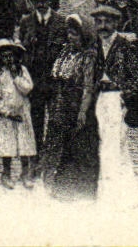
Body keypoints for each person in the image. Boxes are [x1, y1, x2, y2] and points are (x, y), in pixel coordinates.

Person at [41, 14, 100, 199]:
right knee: (58, 147)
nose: (70, 37)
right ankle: (58, 187)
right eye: (69, 33)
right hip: (60, 105)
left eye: (74, 34)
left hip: (75, 106)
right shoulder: (65, 51)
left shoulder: (89, 56)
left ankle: (79, 191)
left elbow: (88, 88)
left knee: (78, 148)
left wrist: (82, 112)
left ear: (84, 35)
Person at [91, 4, 138, 201]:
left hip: (115, 98)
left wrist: (124, 94)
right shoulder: (93, 44)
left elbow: (137, 76)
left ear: (115, 23)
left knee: (112, 144)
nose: (103, 26)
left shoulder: (125, 46)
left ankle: (111, 191)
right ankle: (120, 189)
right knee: (103, 140)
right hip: (96, 97)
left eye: (107, 22)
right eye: (99, 22)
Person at [15, 0, 63, 153]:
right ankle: (37, 149)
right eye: (37, 2)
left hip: (53, 76)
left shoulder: (60, 21)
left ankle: (52, 150)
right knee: (36, 114)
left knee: (55, 115)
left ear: (50, 1)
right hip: (34, 75)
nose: (41, 5)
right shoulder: (26, 22)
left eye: (44, 2)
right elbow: (20, 46)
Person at [0, 39, 38, 189]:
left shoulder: (22, 71)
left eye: (11, 56)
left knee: (24, 144)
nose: (8, 59)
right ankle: (6, 173)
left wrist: (17, 77)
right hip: (6, 117)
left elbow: (28, 88)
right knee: (7, 146)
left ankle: (25, 173)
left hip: (22, 114)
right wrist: (7, 113)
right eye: (4, 56)